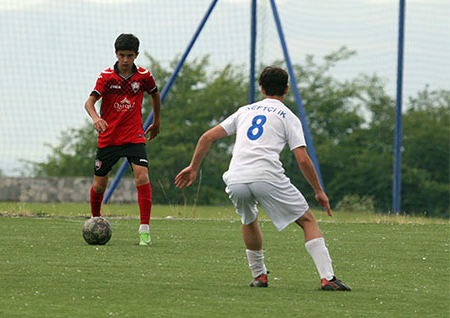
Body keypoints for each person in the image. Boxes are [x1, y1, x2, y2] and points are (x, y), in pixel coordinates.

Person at [175, 66, 351, 290]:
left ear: (261, 88)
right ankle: (328, 278)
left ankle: (259, 276)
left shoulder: (245, 111)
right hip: (265, 175)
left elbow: (207, 137)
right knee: (308, 221)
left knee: (248, 219)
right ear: (286, 89)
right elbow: (303, 159)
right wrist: (318, 191)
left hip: (236, 177)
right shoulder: (289, 116)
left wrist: (193, 167)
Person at [84, 34, 161, 246]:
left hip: (134, 135)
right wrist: (96, 117)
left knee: (142, 177)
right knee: (99, 186)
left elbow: (155, 94)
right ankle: (95, 220)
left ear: (136, 55)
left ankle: (144, 230)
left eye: (129, 56)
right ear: (115, 54)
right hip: (108, 138)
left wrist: (156, 122)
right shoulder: (106, 77)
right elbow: (89, 103)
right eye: (121, 55)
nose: (125, 60)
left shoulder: (144, 76)